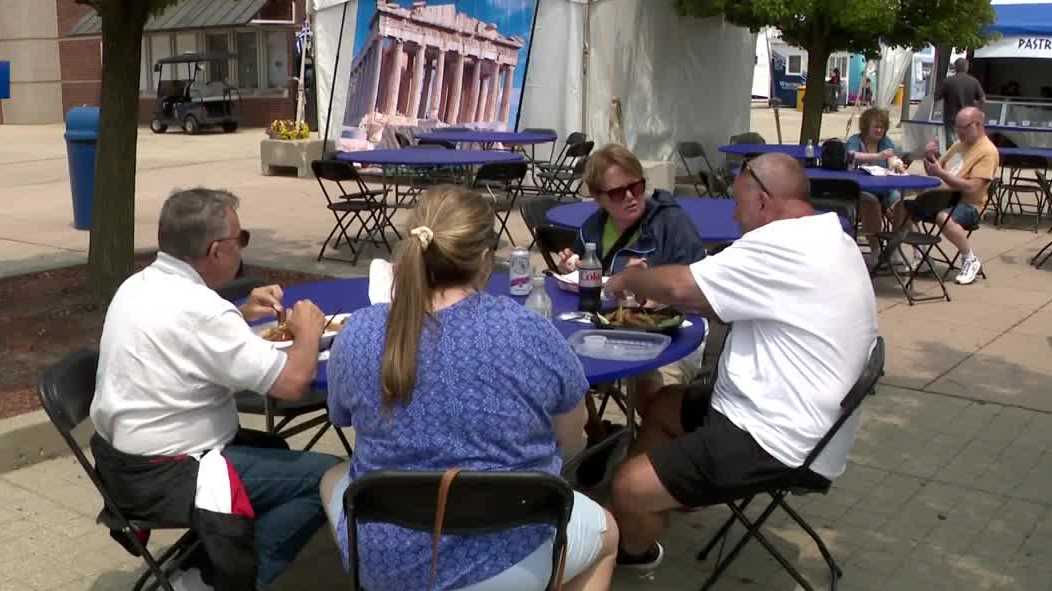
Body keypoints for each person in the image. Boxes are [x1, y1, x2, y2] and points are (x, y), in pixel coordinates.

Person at [321, 186, 618, 591]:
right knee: (606, 533)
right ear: (484, 258)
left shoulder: (358, 333)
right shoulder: (528, 331)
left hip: (385, 564)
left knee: (333, 476)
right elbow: (572, 437)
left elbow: (341, 416)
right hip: (508, 554)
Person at [602, 153, 877, 569]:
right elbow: (721, 299)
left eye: (738, 202)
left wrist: (625, 278)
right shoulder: (827, 236)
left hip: (777, 437)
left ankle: (636, 548)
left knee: (625, 487)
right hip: (794, 416)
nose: (734, 213)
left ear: (764, 202)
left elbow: (681, 287)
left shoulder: (781, 246)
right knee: (663, 405)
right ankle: (665, 496)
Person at [90, 188, 342, 590]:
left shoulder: (137, 285)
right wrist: (308, 332)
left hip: (121, 464)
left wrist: (239, 316)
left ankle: (209, 559)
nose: (243, 248)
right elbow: (292, 384)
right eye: (240, 239)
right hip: (167, 474)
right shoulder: (203, 310)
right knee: (329, 477)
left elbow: (188, 341)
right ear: (215, 251)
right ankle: (219, 580)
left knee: (276, 453)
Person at [557, 144, 707, 276]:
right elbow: (582, 275)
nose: (630, 197)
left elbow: (697, 288)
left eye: (636, 187)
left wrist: (647, 282)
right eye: (617, 193)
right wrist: (569, 268)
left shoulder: (672, 223)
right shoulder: (592, 228)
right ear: (598, 197)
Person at [912, 106, 998, 285]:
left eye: (963, 127)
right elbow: (935, 172)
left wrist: (941, 174)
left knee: (943, 217)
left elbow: (972, 188)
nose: (958, 131)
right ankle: (921, 256)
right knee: (901, 208)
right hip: (942, 197)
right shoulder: (959, 145)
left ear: (977, 124)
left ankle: (969, 259)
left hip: (969, 205)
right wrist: (929, 157)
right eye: (956, 127)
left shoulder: (987, 151)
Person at [847, 107, 904, 266]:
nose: (879, 130)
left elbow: (892, 158)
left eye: (882, 127)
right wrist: (877, 156)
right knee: (870, 203)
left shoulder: (886, 142)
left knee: (902, 205)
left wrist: (897, 165)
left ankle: (894, 249)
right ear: (866, 127)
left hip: (886, 189)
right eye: (876, 127)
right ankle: (875, 250)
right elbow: (852, 156)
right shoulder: (855, 141)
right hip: (862, 190)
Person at [935, 58, 986, 149]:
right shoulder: (974, 81)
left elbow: (936, 97)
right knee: (967, 143)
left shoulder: (948, 81)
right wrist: (977, 111)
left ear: (955, 67)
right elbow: (982, 99)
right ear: (967, 67)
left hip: (951, 119)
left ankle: (953, 161)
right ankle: (966, 161)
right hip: (969, 120)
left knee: (952, 145)